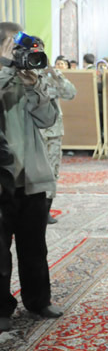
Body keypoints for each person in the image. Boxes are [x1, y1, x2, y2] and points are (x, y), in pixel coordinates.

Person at [0, 22, 64, 332]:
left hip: (32, 178)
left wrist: (34, 87)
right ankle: (1, 309)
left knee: (35, 247)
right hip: (3, 181)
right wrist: (4, 68)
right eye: (14, 46)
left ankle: (39, 301)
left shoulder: (26, 77)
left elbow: (48, 119)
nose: (20, 52)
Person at [38, 59, 77, 224]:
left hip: (52, 131)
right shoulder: (20, 74)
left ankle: (45, 211)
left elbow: (70, 94)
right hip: (30, 131)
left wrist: (54, 74)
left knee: (51, 171)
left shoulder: (52, 75)